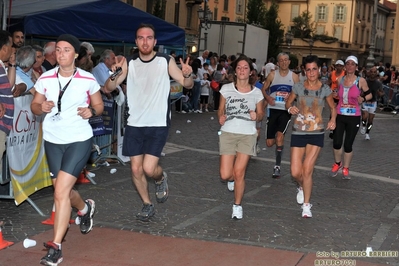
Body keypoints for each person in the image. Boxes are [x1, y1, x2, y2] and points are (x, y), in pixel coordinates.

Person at [103, 23, 193, 221]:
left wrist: (187, 75)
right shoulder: (129, 63)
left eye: (149, 38)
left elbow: (187, 84)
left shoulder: (164, 60)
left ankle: (161, 178)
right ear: (136, 41)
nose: (145, 42)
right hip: (135, 122)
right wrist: (115, 73)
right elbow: (108, 87)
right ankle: (147, 203)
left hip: (157, 123)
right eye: (141, 38)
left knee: (149, 169)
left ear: (155, 41)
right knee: (135, 168)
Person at [31, 34, 103, 266]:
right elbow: (34, 106)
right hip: (53, 140)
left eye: (66, 50)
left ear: (76, 55)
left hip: (79, 139)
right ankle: (84, 208)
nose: (61, 54)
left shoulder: (87, 78)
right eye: (58, 50)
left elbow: (99, 105)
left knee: (60, 192)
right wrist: (40, 107)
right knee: (63, 191)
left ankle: (56, 247)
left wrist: (91, 111)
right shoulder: (45, 77)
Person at [285, 55, 336, 218]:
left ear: (319, 70)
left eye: (315, 69)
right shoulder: (298, 87)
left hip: (317, 132)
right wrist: (290, 108)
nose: (312, 72)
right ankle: (301, 186)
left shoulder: (325, 89)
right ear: (304, 71)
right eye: (308, 69)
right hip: (298, 131)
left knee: (307, 170)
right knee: (295, 172)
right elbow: (288, 102)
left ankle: (306, 206)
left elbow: (333, 107)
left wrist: (333, 119)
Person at [218, 54, 264, 219]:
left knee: (239, 172)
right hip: (228, 133)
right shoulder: (226, 89)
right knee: (225, 174)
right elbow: (220, 110)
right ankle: (231, 180)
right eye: (239, 68)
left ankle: (237, 205)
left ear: (251, 72)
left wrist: (255, 117)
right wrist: (220, 117)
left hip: (247, 135)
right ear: (235, 72)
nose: (242, 70)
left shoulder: (257, 93)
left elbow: (261, 114)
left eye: (246, 68)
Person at [330, 55, 372, 180]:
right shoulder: (340, 80)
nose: (349, 66)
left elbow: (370, 95)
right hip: (340, 114)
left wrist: (363, 98)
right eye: (347, 64)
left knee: (348, 144)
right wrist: (335, 94)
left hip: (354, 116)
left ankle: (346, 168)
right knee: (337, 142)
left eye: (352, 64)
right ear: (345, 66)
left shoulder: (361, 81)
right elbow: (337, 95)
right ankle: (338, 163)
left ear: (356, 67)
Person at [261, 52, 299, 178]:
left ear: (289, 62)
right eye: (281, 60)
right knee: (269, 143)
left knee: (279, 136)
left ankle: (277, 166)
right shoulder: (272, 75)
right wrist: (267, 98)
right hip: (272, 110)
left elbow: (299, 94)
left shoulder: (294, 77)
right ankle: (276, 151)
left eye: (285, 60)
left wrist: (293, 99)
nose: (283, 62)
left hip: (285, 110)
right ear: (278, 63)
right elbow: (264, 88)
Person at [0, 30, 16, 173]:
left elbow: (9, 86)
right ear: (4, 48)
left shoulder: (1, 65)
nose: (13, 50)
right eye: (11, 46)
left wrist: (12, 64)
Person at [360, 66, 382, 140]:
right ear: (369, 73)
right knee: (365, 116)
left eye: (374, 72)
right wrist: (361, 94)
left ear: (376, 73)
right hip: (365, 101)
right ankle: (363, 126)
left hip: (373, 102)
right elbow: (360, 90)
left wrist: (380, 93)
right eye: (371, 72)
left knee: (370, 120)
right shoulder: (365, 81)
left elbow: (382, 93)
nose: (372, 73)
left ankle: (367, 133)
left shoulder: (378, 83)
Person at [328, 59, 345, 139]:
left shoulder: (344, 74)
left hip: (341, 96)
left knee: (339, 113)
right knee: (333, 110)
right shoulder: (332, 73)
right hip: (333, 95)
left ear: (343, 67)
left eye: (340, 66)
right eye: (337, 65)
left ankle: (338, 128)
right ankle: (332, 128)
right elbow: (329, 82)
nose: (339, 67)